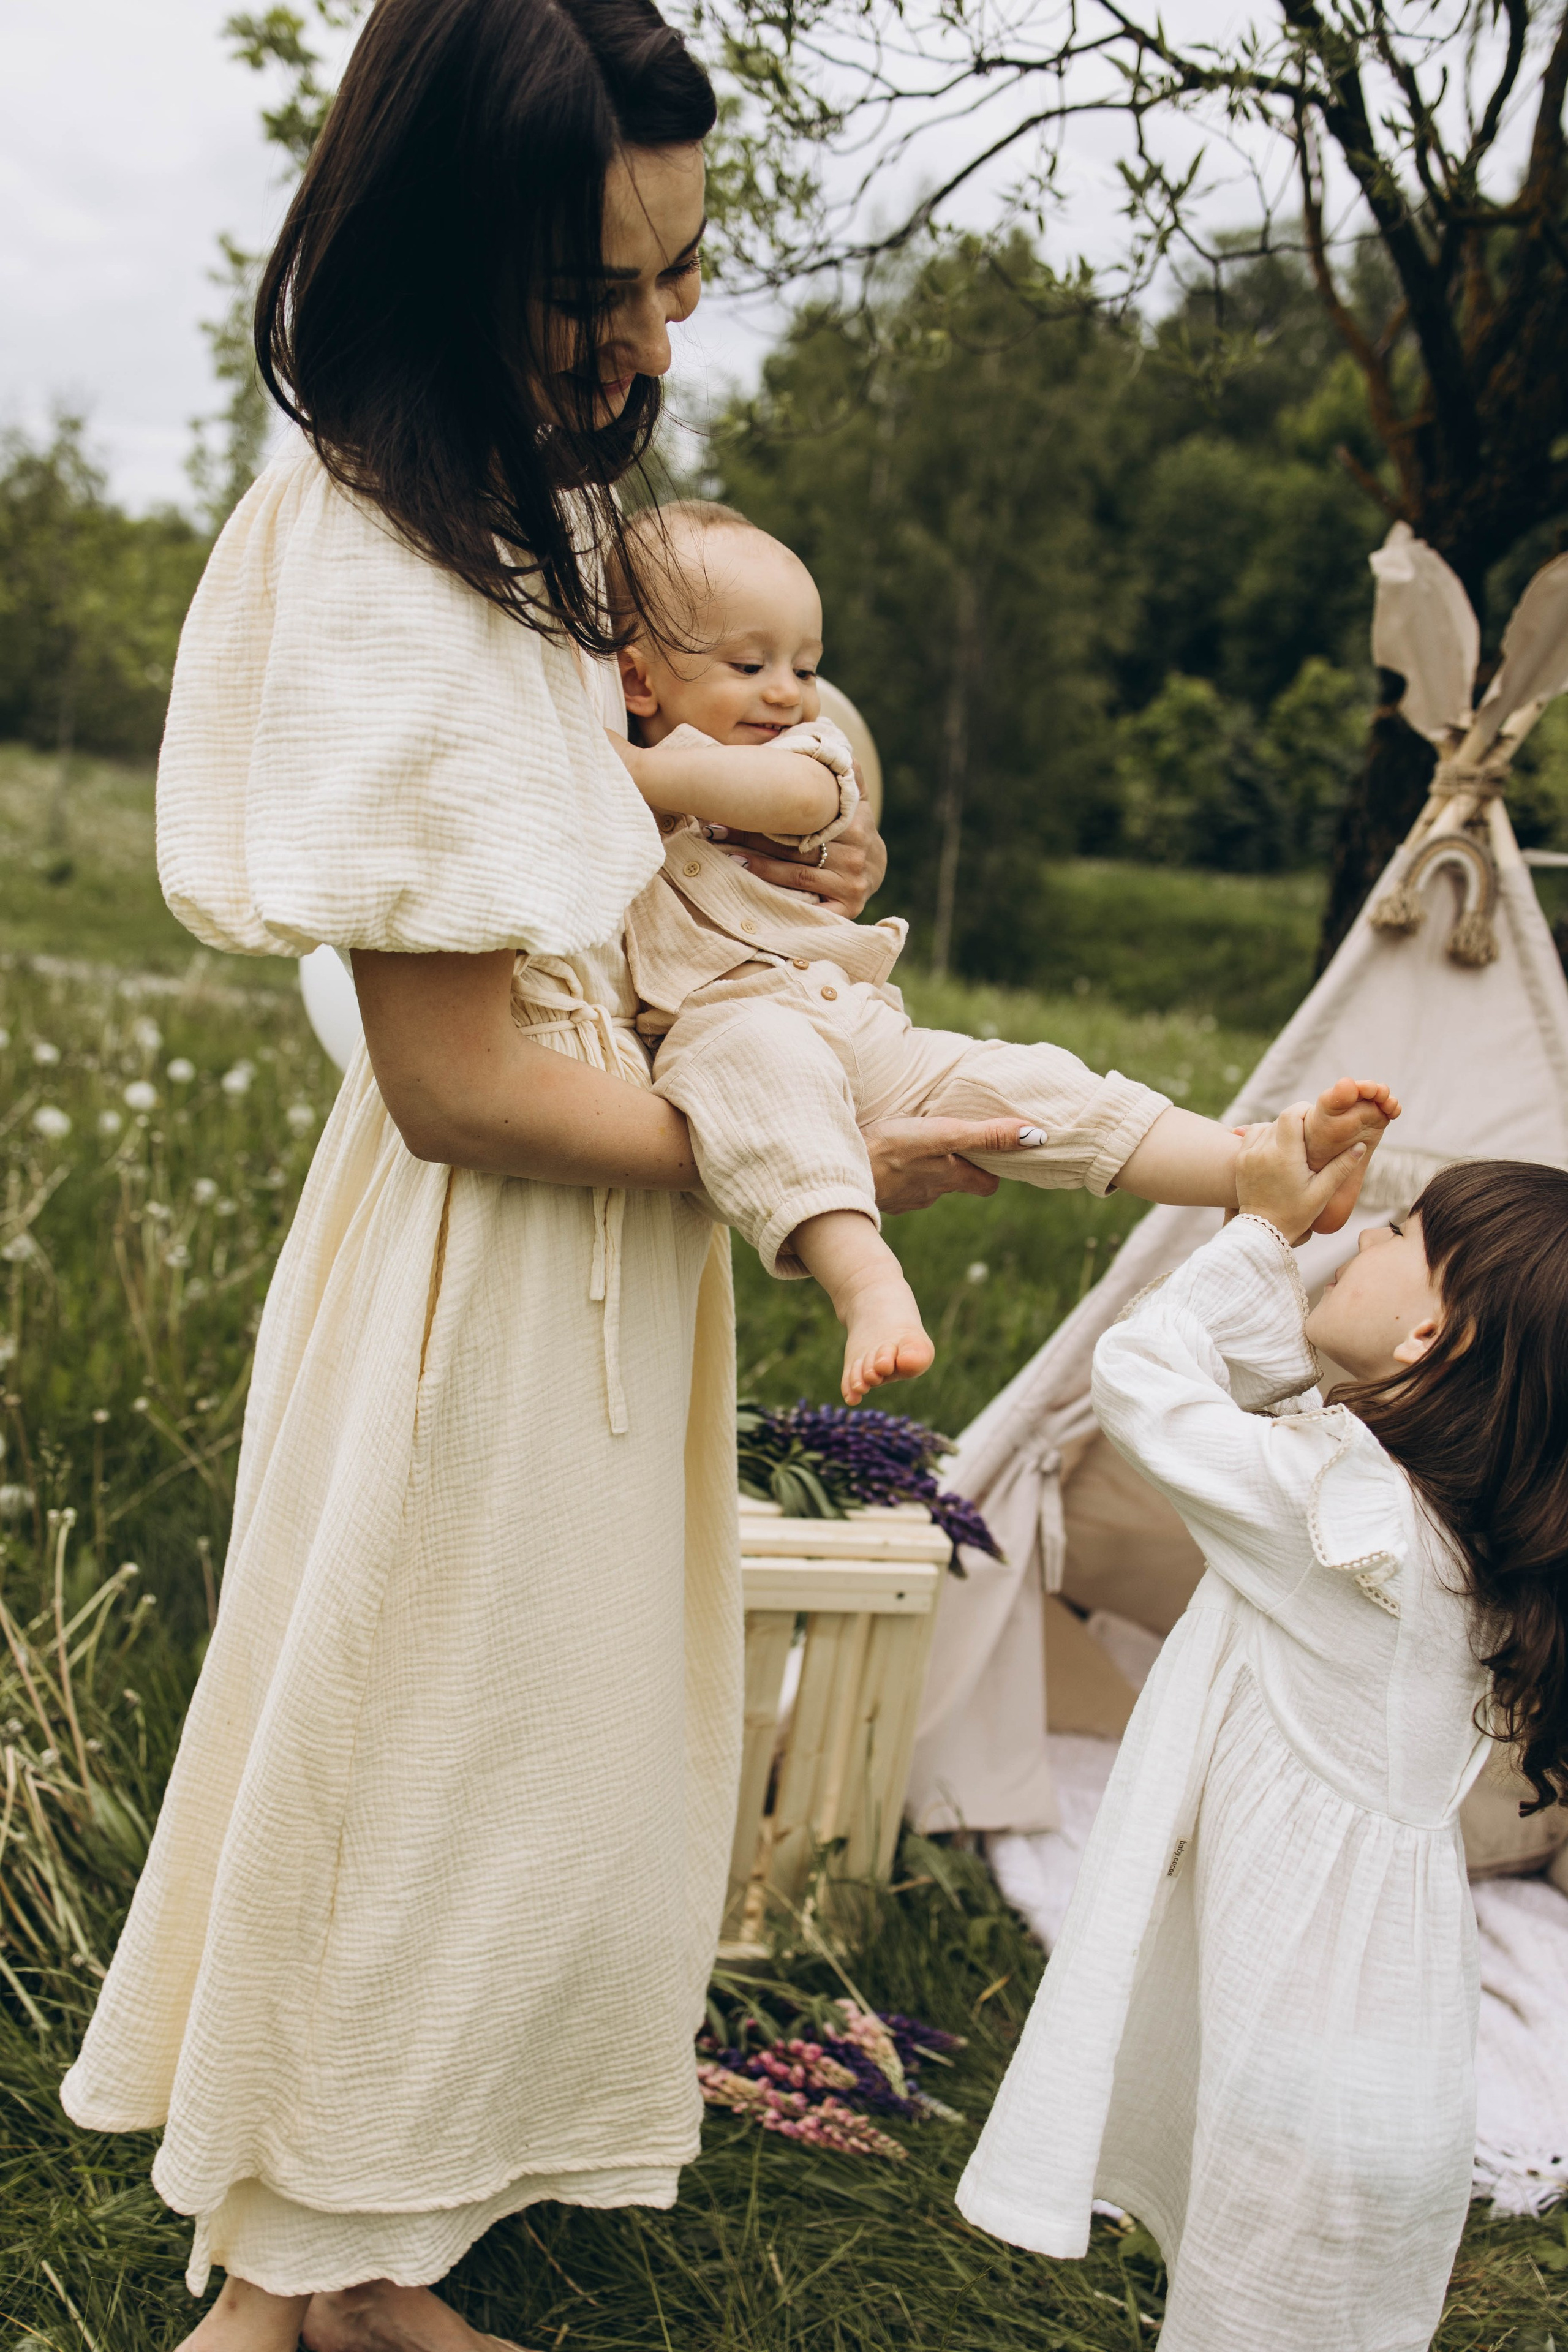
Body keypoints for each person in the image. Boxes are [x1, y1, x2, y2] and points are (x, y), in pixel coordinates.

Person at [56, 7, 1030, 2349]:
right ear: (440, 258)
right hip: (491, 1270)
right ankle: (270, 2291)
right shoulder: (390, 556)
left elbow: (679, 787)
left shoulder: (526, 495)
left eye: (686, 273)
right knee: (411, 1759)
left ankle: (369, 2255)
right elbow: (465, 1085)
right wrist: (824, 1150)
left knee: (514, 1775)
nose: (659, 330)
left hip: (591, 1247)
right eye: (606, 285)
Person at [955, 1120, 1568, 2352]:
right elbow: (1258, 1388)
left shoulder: (1342, 1525)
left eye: (1400, 1234)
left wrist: (1260, 1230)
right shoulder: (1430, 1532)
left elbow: (1143, 1379)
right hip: (1369, 2049)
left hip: (1305, 2060)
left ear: (1425, 1338)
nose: (1370, 1234)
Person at [606, 499, 1400, 1402]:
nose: (787, 690)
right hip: (726, 1031)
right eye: (749, 665)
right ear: (638, 682)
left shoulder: (801, 753)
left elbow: (798, 800)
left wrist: (626, 770)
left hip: (855, 1019)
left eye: (806, 665)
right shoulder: (605, 803)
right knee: (773, 1103)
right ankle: (867, 1286)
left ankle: (1254, 1165)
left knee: (1036, 1084)